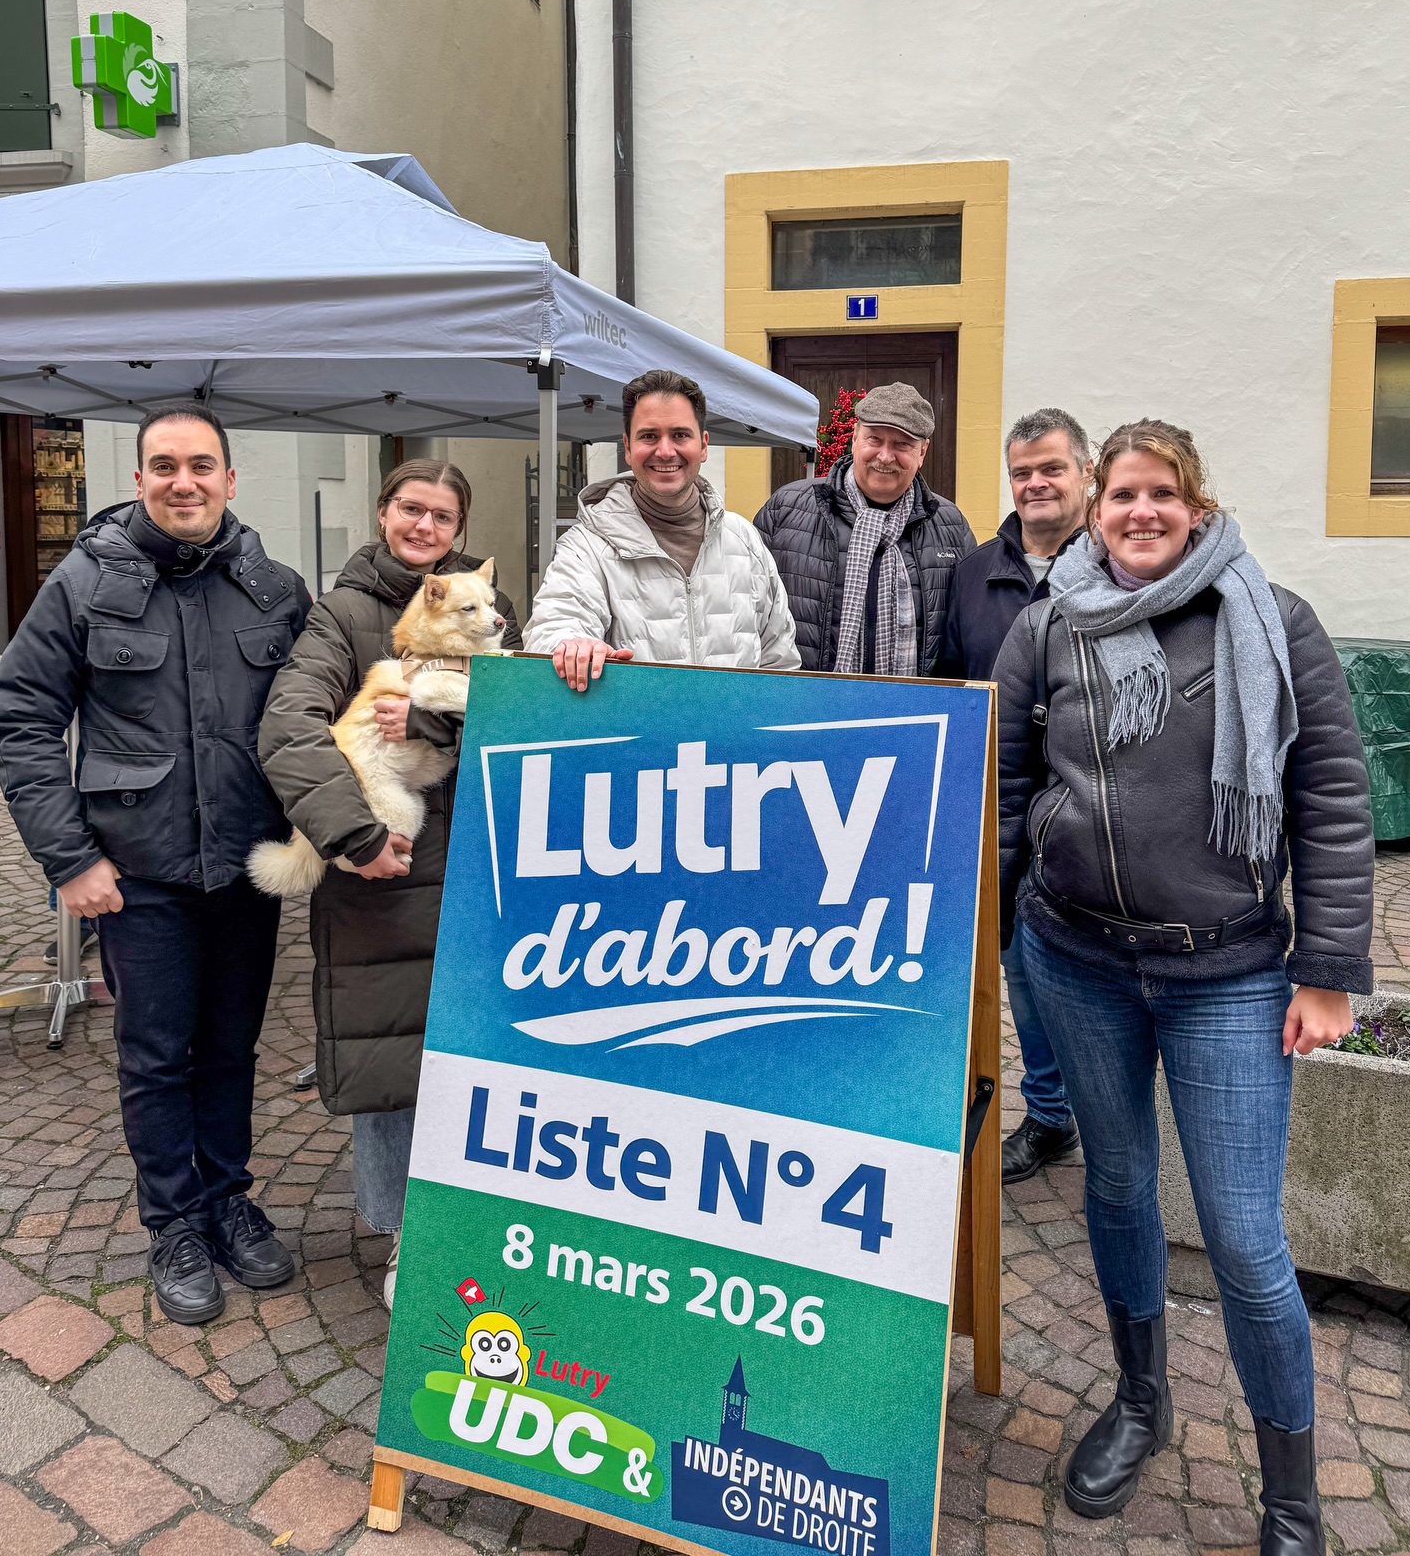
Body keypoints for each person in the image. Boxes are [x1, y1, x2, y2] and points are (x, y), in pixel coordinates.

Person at [994, 419, 1372, 1556]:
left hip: (1232, 973)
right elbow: (1007, 789)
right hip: (1079, 958)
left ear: (1195, 507)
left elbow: (1334, 798)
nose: (1140, 512)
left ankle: (1291, 1502)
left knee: (1246, 1238)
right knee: (1116, 1186)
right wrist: (979, 934)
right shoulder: (1044, 626)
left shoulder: (1271, 618)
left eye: (1162, 494)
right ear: (1094, 509)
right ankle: (1142, 1400)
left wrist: (1331, 970)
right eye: (1122, 495)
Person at [0, 405, 310, 1323]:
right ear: (136, 479)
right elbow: (21, 720)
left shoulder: (275, 590)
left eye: (201, 466)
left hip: (247, 867)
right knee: (154, 1056)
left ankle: (227, 1199)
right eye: (164, 466)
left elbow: (314, 715)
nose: (184, 482)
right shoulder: (84, 584)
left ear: (229, 478)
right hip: (135, 876)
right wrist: (68, 859)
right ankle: (174, 1221)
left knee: (230, 1049)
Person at [258, 459, 521, 1307]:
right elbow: (292, 725)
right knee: (394, 1055)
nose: (424, 526)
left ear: (457, 529)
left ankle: (482, 1221)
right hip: (386, 868)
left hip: (479, 860)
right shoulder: (339, 615)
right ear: (384, 512)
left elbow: (526, 716)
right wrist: (356, 833)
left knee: (479, 1052)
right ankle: (407, 1233)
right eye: (412, 509)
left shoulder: (486, 613)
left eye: (442, 515)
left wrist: (442, 716)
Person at [936, 408, 1092, 1184]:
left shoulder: (1119, 569)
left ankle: (1110, 1116)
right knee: (1020, 979)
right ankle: (1053, 1116)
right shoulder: (973, 571)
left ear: (1085, 475)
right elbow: (946, 682)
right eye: (1023, 472)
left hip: (1084, 816)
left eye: (1051, 469)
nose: (1035, 484)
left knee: (1089, 981)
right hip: (997, 813)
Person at [524, 368, 799, 686]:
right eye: (649, 435)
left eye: (680, 435)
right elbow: (554, 628)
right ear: (627, 447)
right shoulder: (587, 546)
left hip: (734, 736)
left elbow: (781, 663)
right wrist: (571, 647)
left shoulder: (744, 540)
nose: (665, 451)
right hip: (639, 735)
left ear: (704, 445)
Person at [753, 383, 975, 676]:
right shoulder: (786, 509)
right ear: (855, 439)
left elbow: (967, 636)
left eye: (902, 444)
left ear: (923, 452)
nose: (885, 456)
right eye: (875, 439)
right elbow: (749, 618)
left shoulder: (950, 526)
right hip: (804, 709)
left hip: (915, 713)